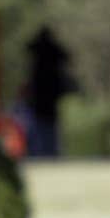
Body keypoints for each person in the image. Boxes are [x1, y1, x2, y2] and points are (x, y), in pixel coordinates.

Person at [23, 26, 76, 158]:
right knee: (48, 121)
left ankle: (41, 150)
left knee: (41, 121)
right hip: (49, 91)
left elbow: (28, 47)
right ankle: (50, 150)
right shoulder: (53, 49)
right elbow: (67, 56)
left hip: (41, 91)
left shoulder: (39, 49)